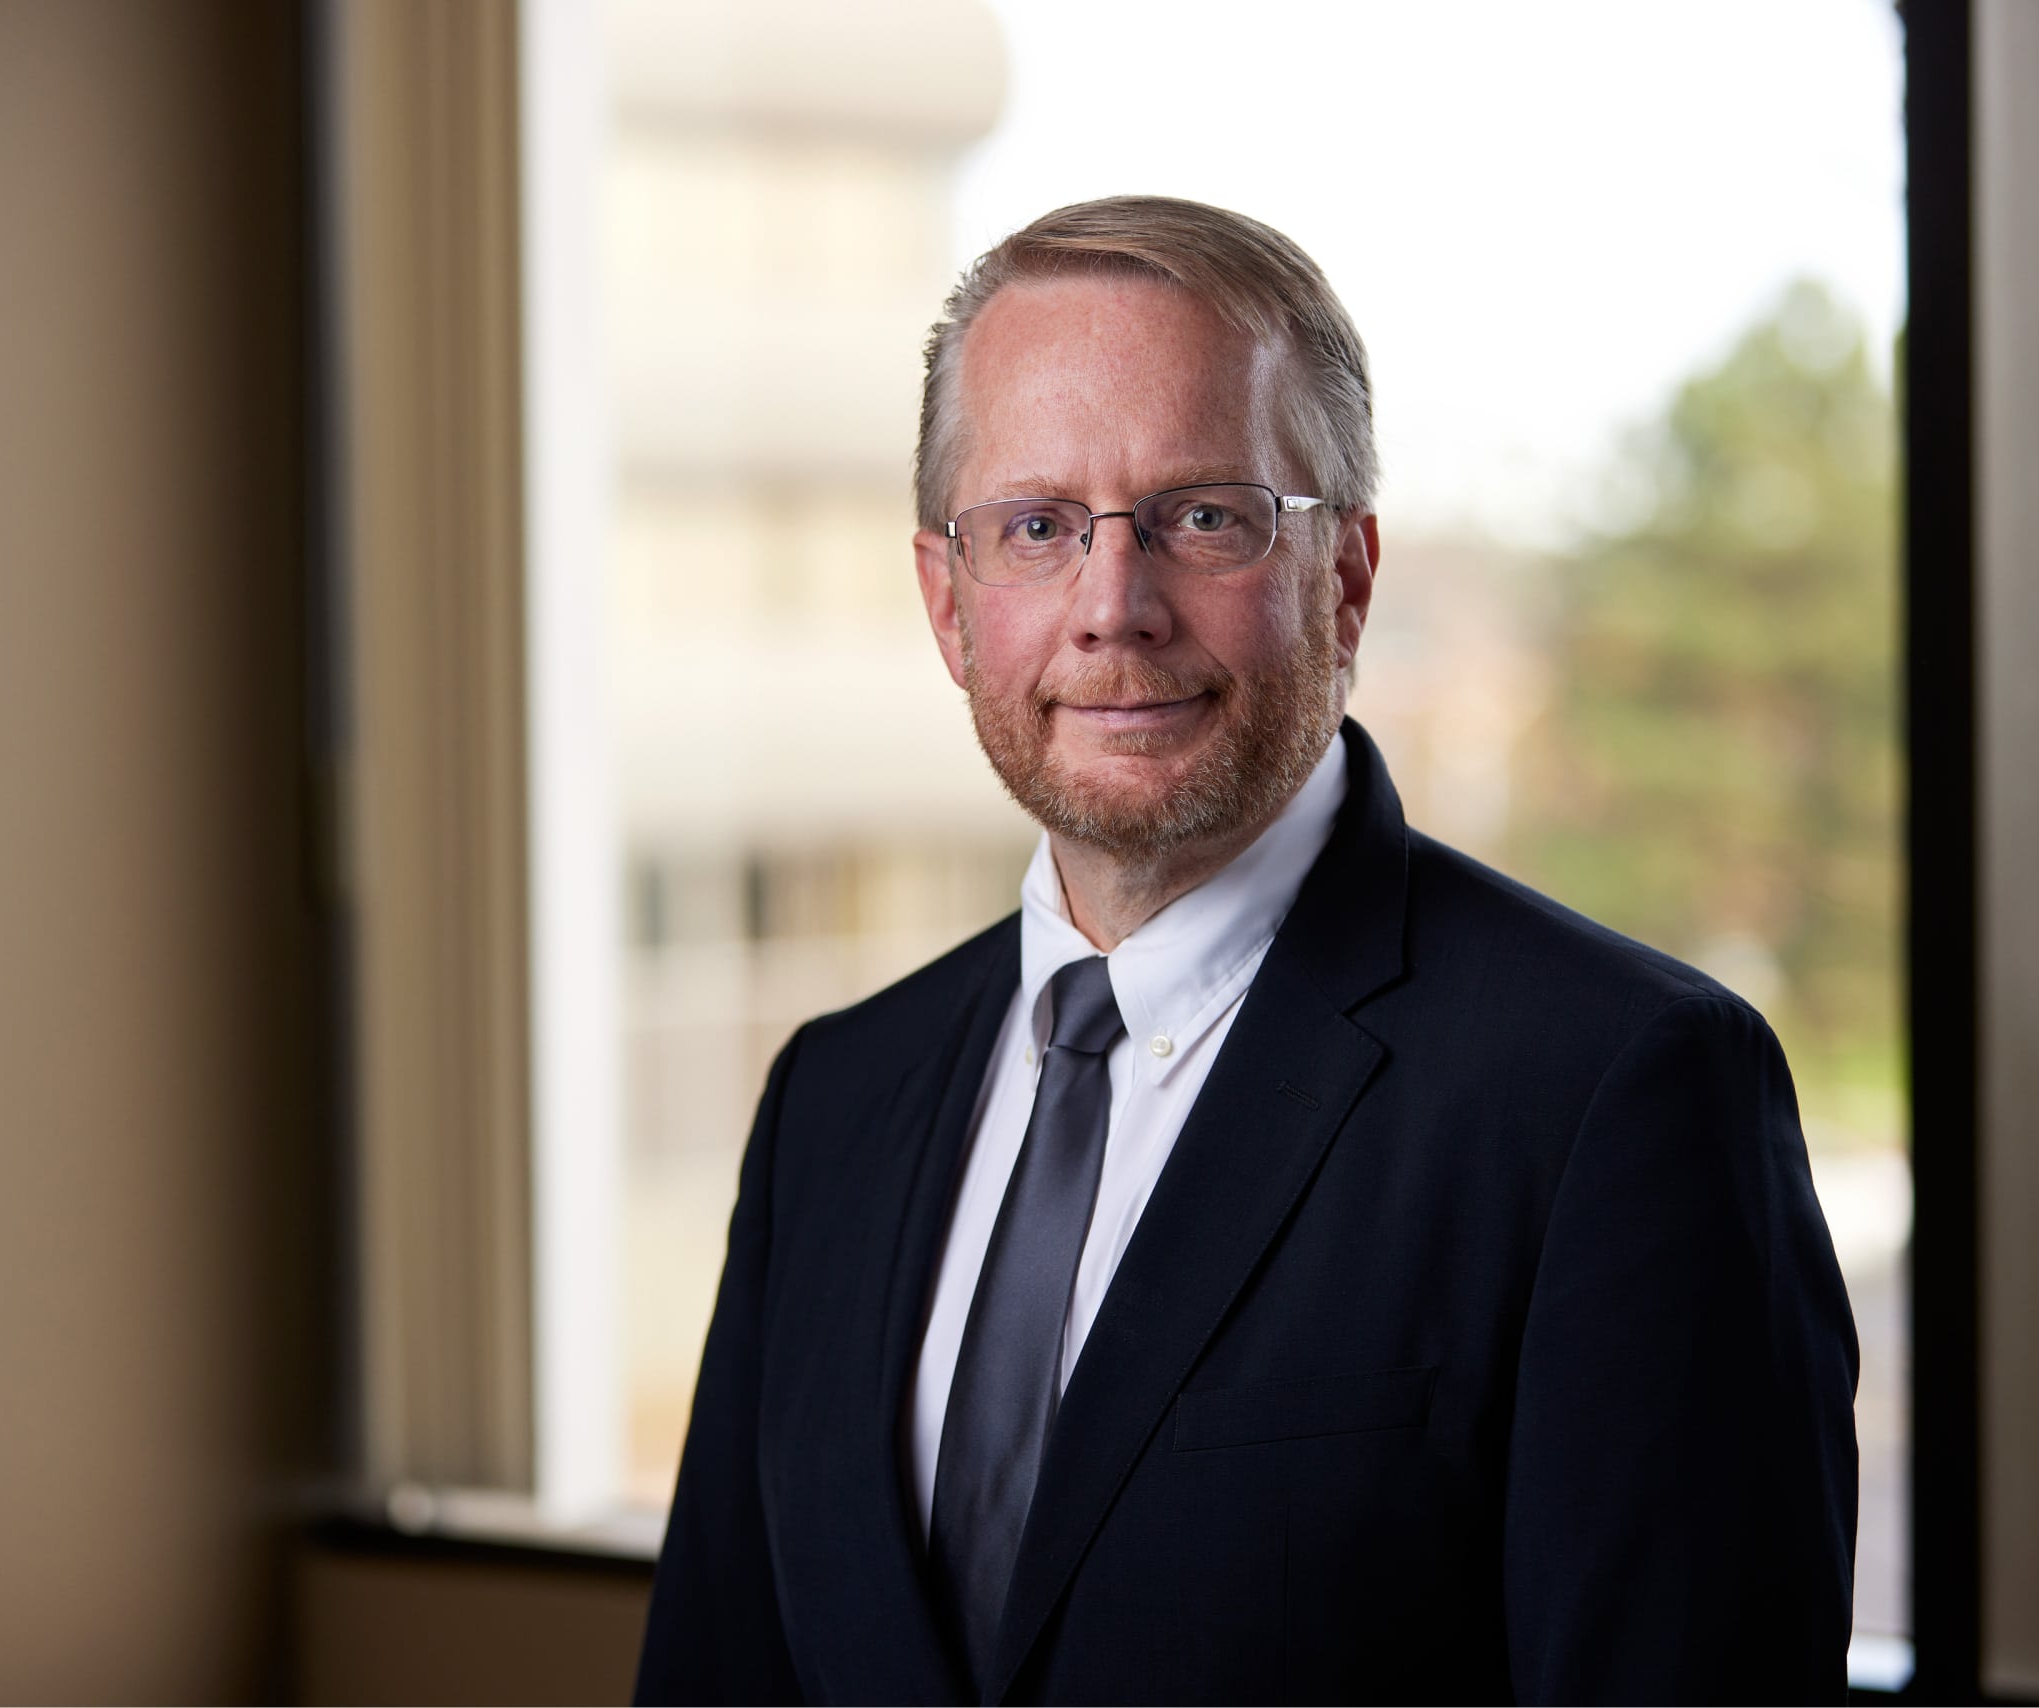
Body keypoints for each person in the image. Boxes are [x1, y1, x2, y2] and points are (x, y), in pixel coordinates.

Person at [634, 196, 1858, 1706]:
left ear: (1343, 578)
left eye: (1203, 516)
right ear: (950, 604)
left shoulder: (1616, 1096)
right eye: (1036, 528)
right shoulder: (833, 1102)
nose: (1114, 609)